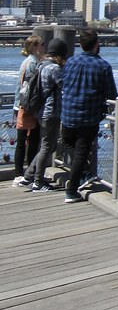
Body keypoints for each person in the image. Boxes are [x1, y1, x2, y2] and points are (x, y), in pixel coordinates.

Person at [61, 28, 118, 203]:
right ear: (96, 45)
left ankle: (84, 172)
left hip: (68, 114)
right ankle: (72, 190)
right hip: (89, 116)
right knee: (81, 152)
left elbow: (64, 84)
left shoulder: (70, 62)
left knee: (68, 143)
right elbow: (111, 94)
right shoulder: (103, 66)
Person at [16, 38, 68, 192]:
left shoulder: (41, 65)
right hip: (51, 112)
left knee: (47, 145)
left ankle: (28, 175)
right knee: (47, 146)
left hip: (40, 111)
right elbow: (65, 86)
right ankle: (38, 182)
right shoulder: (54, 69)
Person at [12, 35, 45, 185]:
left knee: (27, 140)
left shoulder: (30, 61)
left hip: (23, 105)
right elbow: (32, 87)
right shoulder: (32, 63)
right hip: (27, 107)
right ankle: (22, 174)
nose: (44, 47)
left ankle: (23, 173)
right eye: (42, 44)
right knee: (28, 141)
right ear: (34, 47)